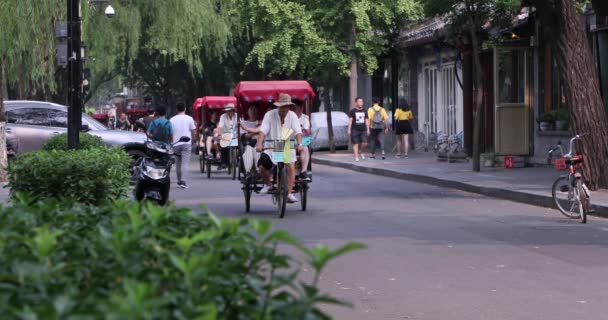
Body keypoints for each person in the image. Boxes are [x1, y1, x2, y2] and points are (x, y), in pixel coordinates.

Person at [256, 93, 303, 203]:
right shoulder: (269, 115)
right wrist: (259, 144)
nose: (284, 108)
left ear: (289, 107)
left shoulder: (293, 116)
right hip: (271, 146)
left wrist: (299, 144)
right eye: (282, 106)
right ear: (278, 106)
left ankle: (289, 193)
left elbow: (298, 132)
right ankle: (268, 184)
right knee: (262, 167)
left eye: (287, 106)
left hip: (286, 145)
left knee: (291, 165)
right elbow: (262, 131)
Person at [170, 102, 196, 188]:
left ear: (176, 109)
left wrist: (171, 142)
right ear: (185, 109)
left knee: (178, 163)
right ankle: (183, 181)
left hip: (176, 143)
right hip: (186, 143)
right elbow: (193, 131)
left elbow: (170, 133)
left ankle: (179, 180)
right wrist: (192, 140)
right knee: (185, 163)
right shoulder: (189, 118)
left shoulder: (172, 119)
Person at [290, 101, 311, 181]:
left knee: (305, 148)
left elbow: (305, 131)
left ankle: (303, 172)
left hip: (299, 141)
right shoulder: (286, 117)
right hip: (286, 141)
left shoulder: (305, 118)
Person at [240, 104, 262, 174]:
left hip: (260, 144)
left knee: (257, 150)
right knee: (248, 150)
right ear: (247, 112)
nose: (253, 111)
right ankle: (248, 172)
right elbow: (245, 136)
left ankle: (259, 171)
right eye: (251, 109)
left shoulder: (262, 122)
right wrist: (256, 131)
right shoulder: (244, 123)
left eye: (255, 109)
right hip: (248, 143)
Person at [347, 97, 369, 162]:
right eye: (359, 102)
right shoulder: (352, 111)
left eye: (362, 102)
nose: (361, 103)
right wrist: (349, 129)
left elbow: (367, 120)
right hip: (355, 129)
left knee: (365, 143)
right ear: (356, 103)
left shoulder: (365, 110)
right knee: (355, 143)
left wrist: (368, 129)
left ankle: (361, 152)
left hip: (363, 129)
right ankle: (356, 157)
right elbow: (350, 120)